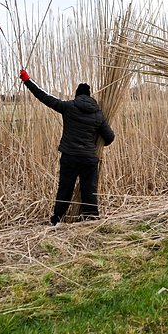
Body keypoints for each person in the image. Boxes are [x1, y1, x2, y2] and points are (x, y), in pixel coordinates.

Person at [19, 70, 115, 225]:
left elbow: (45, 98)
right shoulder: (98, 114)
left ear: (77, 95)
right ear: (90, 96)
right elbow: (110, 137)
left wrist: (27, 81)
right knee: (89, 190)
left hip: (70, 156)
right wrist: (95, 143)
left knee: (65, 188)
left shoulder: (68, 107)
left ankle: (57, 219)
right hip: (89, 159)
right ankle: (92, 219)